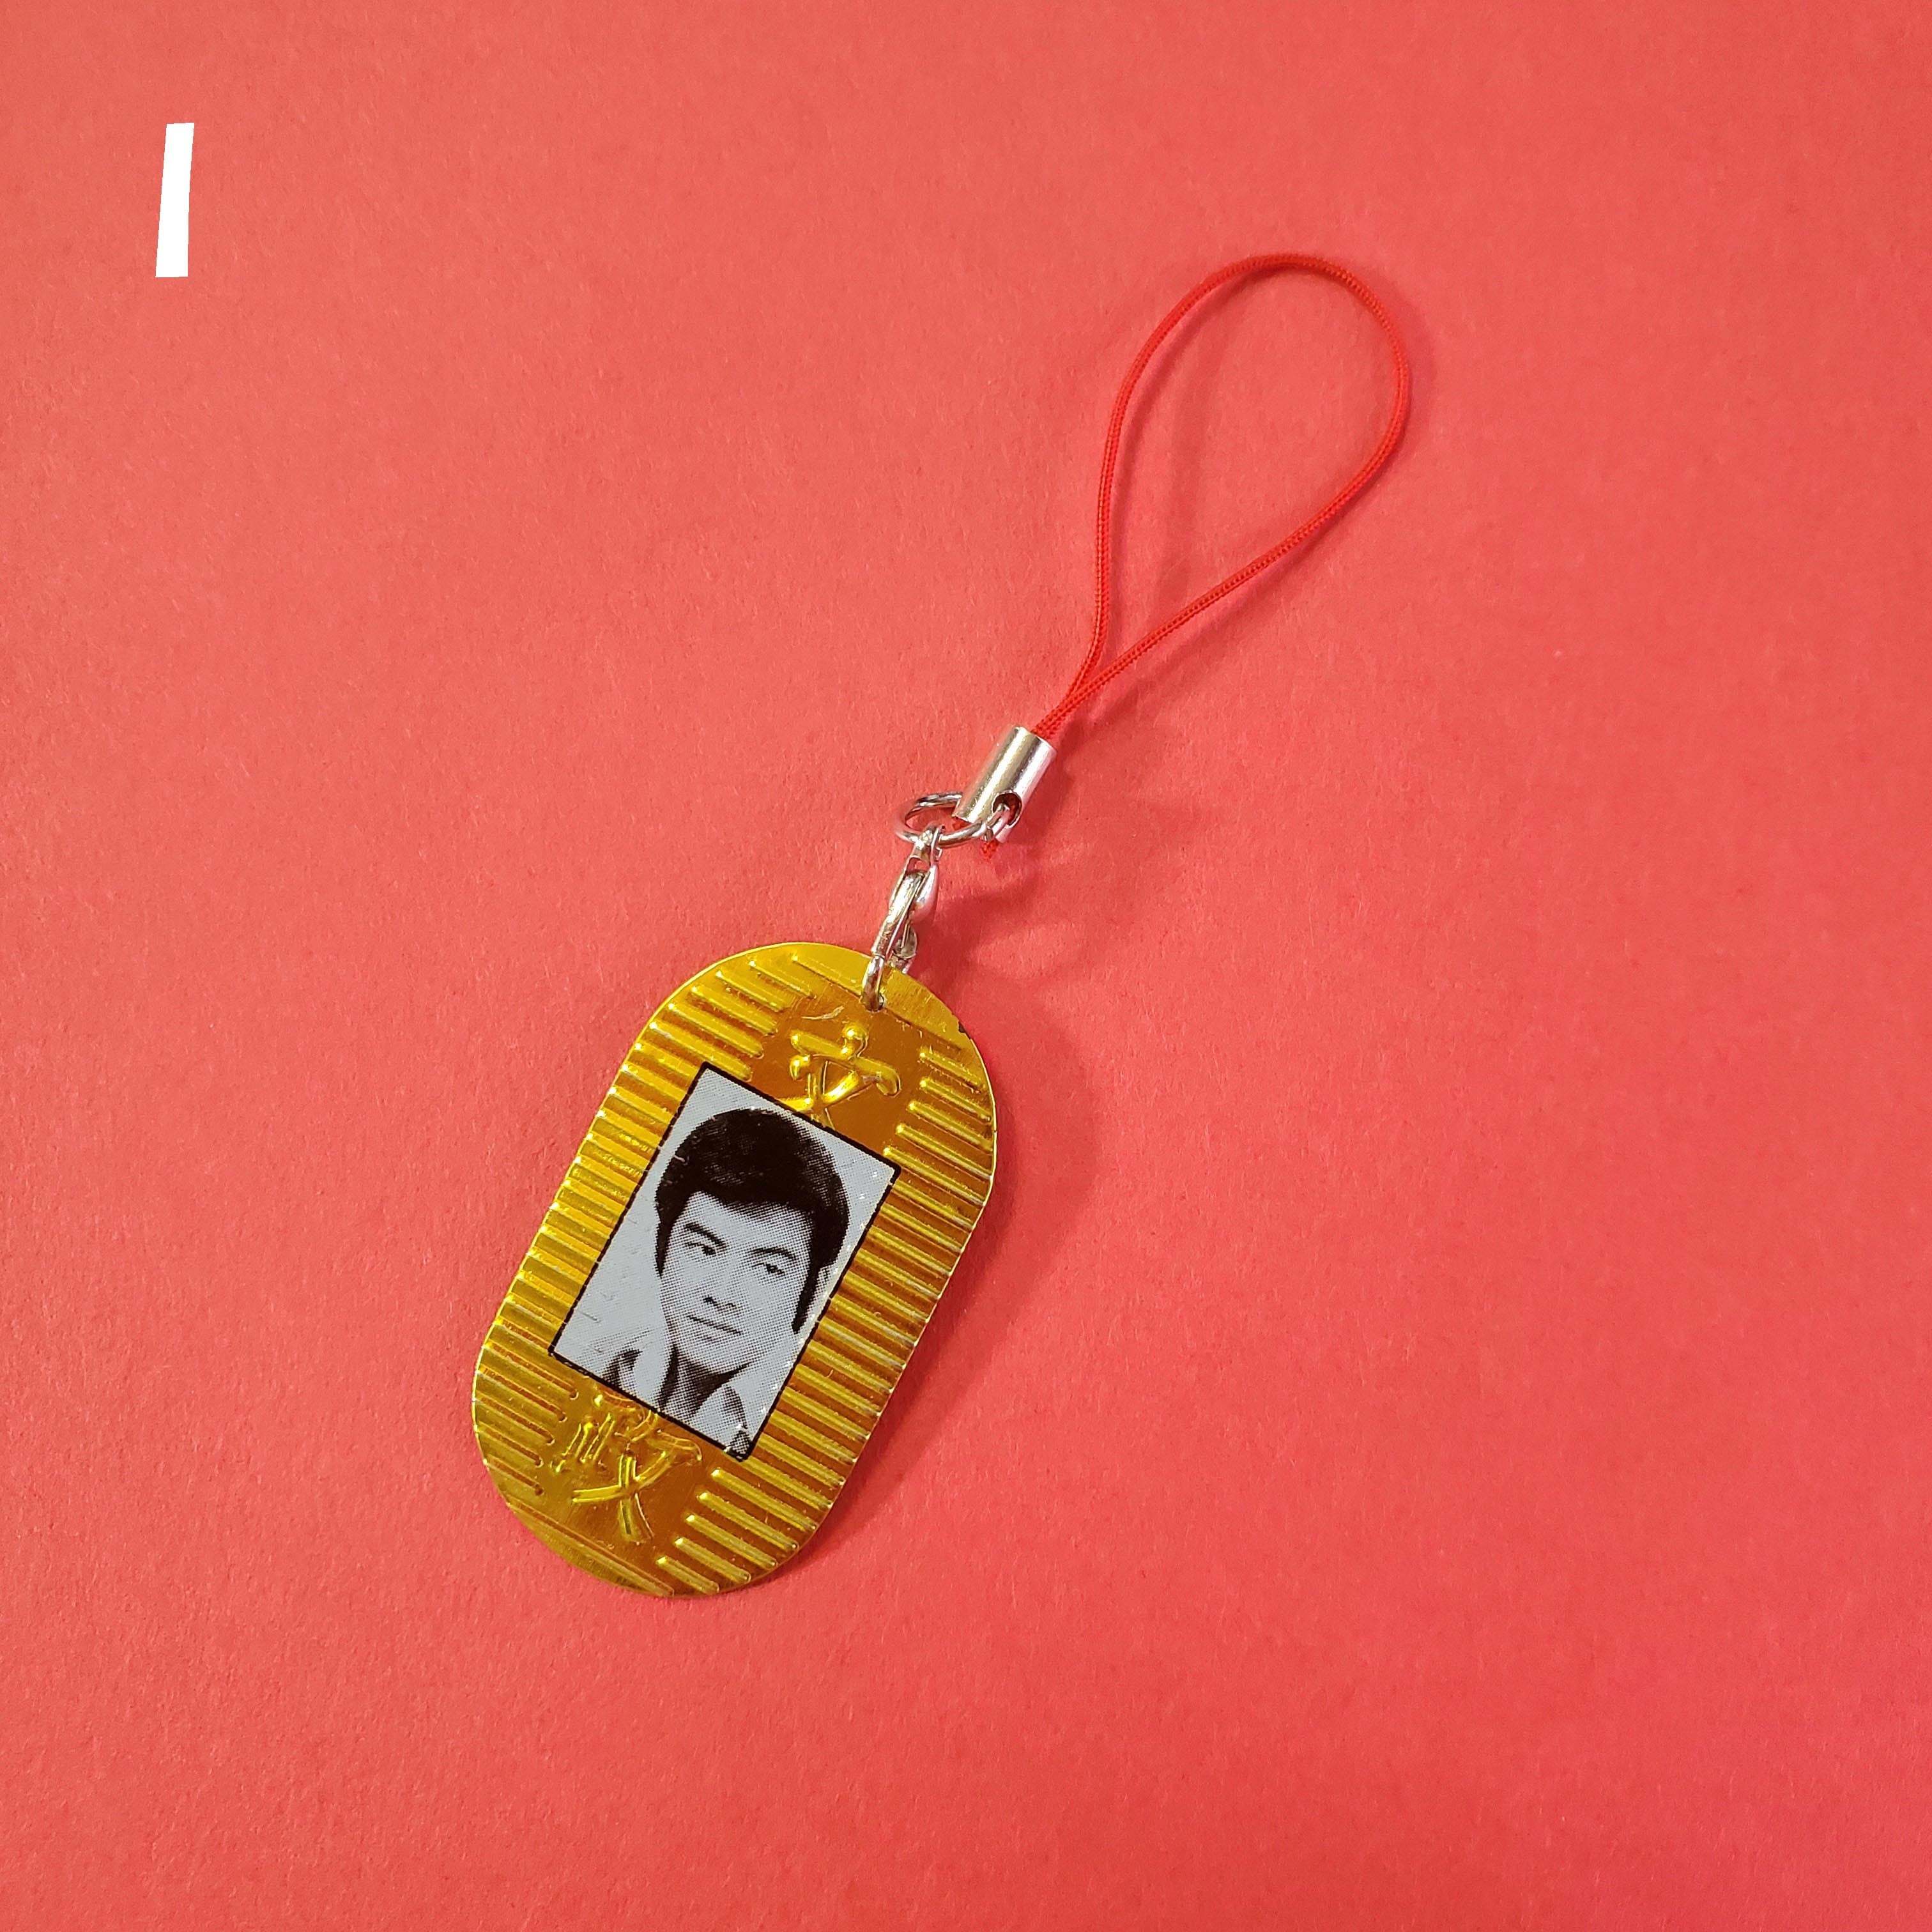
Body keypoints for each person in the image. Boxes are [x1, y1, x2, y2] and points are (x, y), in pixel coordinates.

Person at [603, 1107, 850, 1456]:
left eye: (768, 1269)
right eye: (704, 1249)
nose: (723, 1293)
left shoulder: (802, 1438)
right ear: (664, 1246)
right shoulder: (619, 1369)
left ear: (814, 1291)